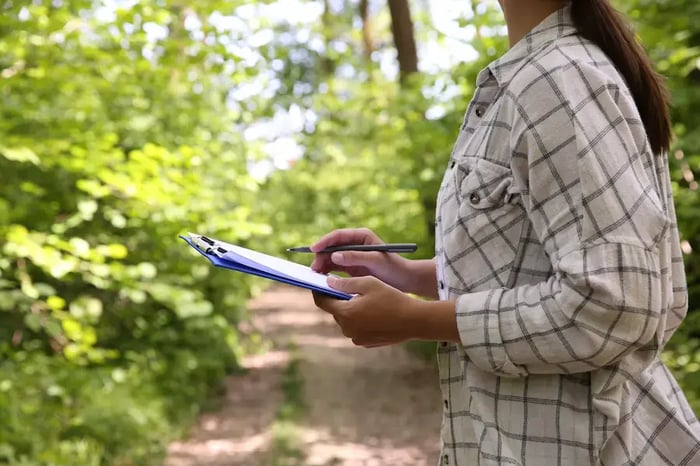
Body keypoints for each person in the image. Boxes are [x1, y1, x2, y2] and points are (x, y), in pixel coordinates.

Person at [310, 0, 700, 465]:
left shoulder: (558, 79)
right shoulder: (538, 73)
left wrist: (414, 320)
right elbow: (541, 265)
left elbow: (615, 303)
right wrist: (408, 276)